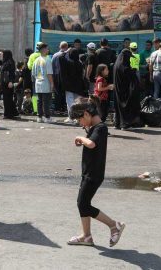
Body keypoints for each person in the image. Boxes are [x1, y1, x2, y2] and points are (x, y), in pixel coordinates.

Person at [67, 97, 125, 247]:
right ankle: (86, 236)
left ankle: (114, 225)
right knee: (83, 203)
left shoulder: (100, 128)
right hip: (89, 173)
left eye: (79, 120)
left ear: (86, 114)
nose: (80, 124)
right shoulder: (94, 128)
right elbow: (91, 143)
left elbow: (92, 144)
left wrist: (80, 137)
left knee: (83, 204)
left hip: (93, 175)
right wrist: (84, 136)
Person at [113, 49, 142, 129]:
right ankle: (124, 124)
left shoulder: (117, 64)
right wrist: (133, 70)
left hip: (118, 89)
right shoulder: (123, 66)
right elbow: (129, 75)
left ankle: (118, 124)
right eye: (128, 57)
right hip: (123, 90)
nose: (129, 59)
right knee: (124, 107)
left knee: (118, 107)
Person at [60, 48, 87, 123]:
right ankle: (78, 118)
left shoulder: (68, 63)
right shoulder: (80, 64)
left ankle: (71, 117)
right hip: (78, 86)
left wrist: (65, 52)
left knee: (70, 103)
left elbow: (60, 58)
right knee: (77, 103)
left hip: (69, 86)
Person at [32, 43, 54, 123]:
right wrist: (52, 83)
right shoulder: (47, 59)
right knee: (46, 101)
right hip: (46, 83)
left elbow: (33, 73)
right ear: (43, 50)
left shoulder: (36, 60)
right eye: (47, 48)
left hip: (38, 82)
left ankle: (39, 117)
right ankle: (47, 117)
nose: (48, 50)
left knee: (39, 100)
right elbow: (49, 73)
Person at [51, 41, 68, 113]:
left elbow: (52, 66)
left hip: (56, 75)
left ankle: (57, 108)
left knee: (57, 92)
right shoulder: (67, 54)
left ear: (59, 47)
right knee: (64, 92)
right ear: (66, 47)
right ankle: (64, 108)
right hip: (64, 76)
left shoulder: (55, 55)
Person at [0, 50, 17, 119]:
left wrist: (10, 81)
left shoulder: (9, 62)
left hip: (7, 83)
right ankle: (11, 112)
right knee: (8, 99)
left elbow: (12, 73)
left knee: (7, 99)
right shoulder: (7, 62)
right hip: (5, 83)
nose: (2, 55)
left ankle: (8, 114)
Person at [149, 41, 161, 109]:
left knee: (156, 90)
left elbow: (150, 65)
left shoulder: (153, 53)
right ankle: (160, 103)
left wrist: (150, 75)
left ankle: (155, 105)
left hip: (154, 73)